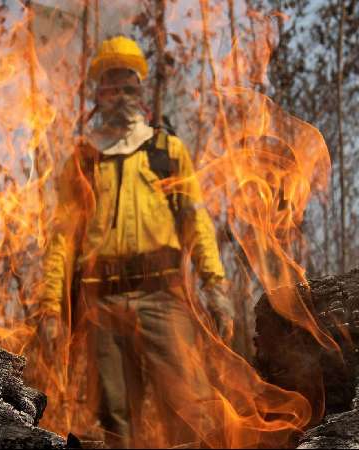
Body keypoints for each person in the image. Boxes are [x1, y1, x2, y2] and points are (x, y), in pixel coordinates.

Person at [38, 36, 235, 448]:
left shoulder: (166, 150)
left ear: (141, 90)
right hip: (101, 302)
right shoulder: (83, 159)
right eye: (112, 85)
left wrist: (215, 285)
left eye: (129, 85)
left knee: (187, 405)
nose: (121, 94)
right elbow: (61, 239)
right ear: (99, 93)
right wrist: (50, 308)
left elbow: (196, 222)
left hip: (163, 295)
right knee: (114, 417)